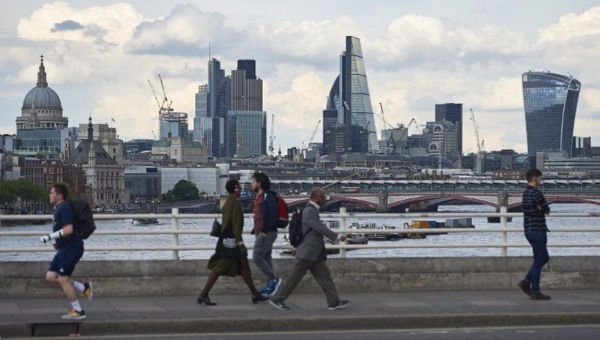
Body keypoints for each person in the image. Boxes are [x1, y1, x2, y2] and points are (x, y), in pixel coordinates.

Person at [269, 188, 349, 311]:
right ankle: (277, 298)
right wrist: (336, 237)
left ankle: (333, 301)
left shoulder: (311, 210)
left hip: (314, 252)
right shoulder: (309, 211)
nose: (324, 199)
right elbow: (318, 227)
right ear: (316, 197)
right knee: (293, 278)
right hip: (308, 252)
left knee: (325, 277)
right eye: (322, 197)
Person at [197, 179, 269, 305]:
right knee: (220, 267)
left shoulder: (227, 203)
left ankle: (254, 294)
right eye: (240, 188)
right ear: (235, 189)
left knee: (244, 266)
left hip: (227, 240)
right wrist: (240, 243)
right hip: (231, 242)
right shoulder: (235, 204)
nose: (241, 190)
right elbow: (235, 226)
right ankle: (203, 294)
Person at [41, 183, 92, 320]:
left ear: (60, 196)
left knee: (63, 279)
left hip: (72, 248)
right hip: (64, 247)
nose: (49, 195)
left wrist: (49, 237)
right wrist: (58, 243)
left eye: (52, 193)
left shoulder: (64, 208)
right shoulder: (59, 209)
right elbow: (64, 231)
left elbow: (68, 230)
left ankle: (78, 310)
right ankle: (83, 288)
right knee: (51, 276)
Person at [518, 168, 551, 300]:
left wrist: (540, 208)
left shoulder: (525, 193)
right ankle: (535, 291)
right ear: (535, 178)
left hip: (528, 230)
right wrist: (542, 208)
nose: (541, 181)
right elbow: (547, 210)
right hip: (538, 230)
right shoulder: (537, 194)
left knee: (544, 258)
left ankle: (526, 281)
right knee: (539, 260)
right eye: (540, 178)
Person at [251, 172, 282, 297]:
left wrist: (263, 231)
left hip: (267, 232)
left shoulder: (267, 196)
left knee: (257, 256)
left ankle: (274, 279)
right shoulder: (258, 196)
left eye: (253, 181)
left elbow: (271, 214)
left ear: (259, 183)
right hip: (260, 232)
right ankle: (270, 286)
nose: (251, 184)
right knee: (266, 257)